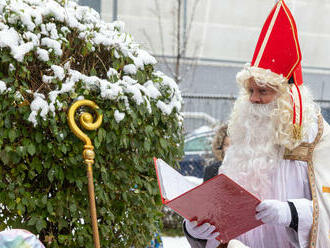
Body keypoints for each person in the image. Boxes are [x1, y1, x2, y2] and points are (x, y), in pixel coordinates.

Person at [183, 1, 330, 247]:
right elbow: (221, 209)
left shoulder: (318, 141)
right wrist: (196, 229)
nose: (253, 98)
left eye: (262, 90)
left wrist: (293, 213)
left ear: (288, 97)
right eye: (250, 90)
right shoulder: (245, 135)